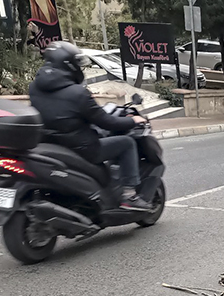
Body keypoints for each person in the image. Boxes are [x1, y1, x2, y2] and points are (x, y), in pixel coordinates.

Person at [29, 41, 151, 211]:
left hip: (51, 144)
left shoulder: (34, 88)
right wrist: (133, 120)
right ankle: (129, 195)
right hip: (82, 148)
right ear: (69, 65)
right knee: (127, 143)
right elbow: (106, 122)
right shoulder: (78, 93)